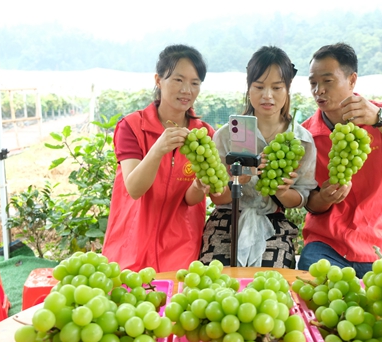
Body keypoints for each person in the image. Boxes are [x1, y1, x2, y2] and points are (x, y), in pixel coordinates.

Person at [298, 42, 382, 277]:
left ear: (352, 80)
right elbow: (310, 203)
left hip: (381, 244)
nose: (318, 90)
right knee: (315, 297)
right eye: (313, 83)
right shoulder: (305, 134)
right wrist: (324, 198)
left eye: (327, 81)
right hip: (327, 245)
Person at [199, 46, 318, 268]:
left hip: (273, 224)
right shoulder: (228, 135)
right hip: (227, 220)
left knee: (272, 293)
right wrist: (239, 180)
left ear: (287, 89)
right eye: (259, 86)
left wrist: (281, 191)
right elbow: (218, 198)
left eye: (276, 87)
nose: (267, 95)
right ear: (249, 88)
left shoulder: (301, 141)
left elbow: (301, 199)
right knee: (216, 285)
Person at [102, 44, 216, 272]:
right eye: (178, 80)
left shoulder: (203, 135)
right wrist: (157, 149)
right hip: (129, 249)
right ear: (158, 80)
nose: (187, 90)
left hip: (181, 251)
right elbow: (134, 188)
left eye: (195, 83)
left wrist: (199, 185)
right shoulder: (132, 127)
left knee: (174, 305)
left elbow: (190, 200)